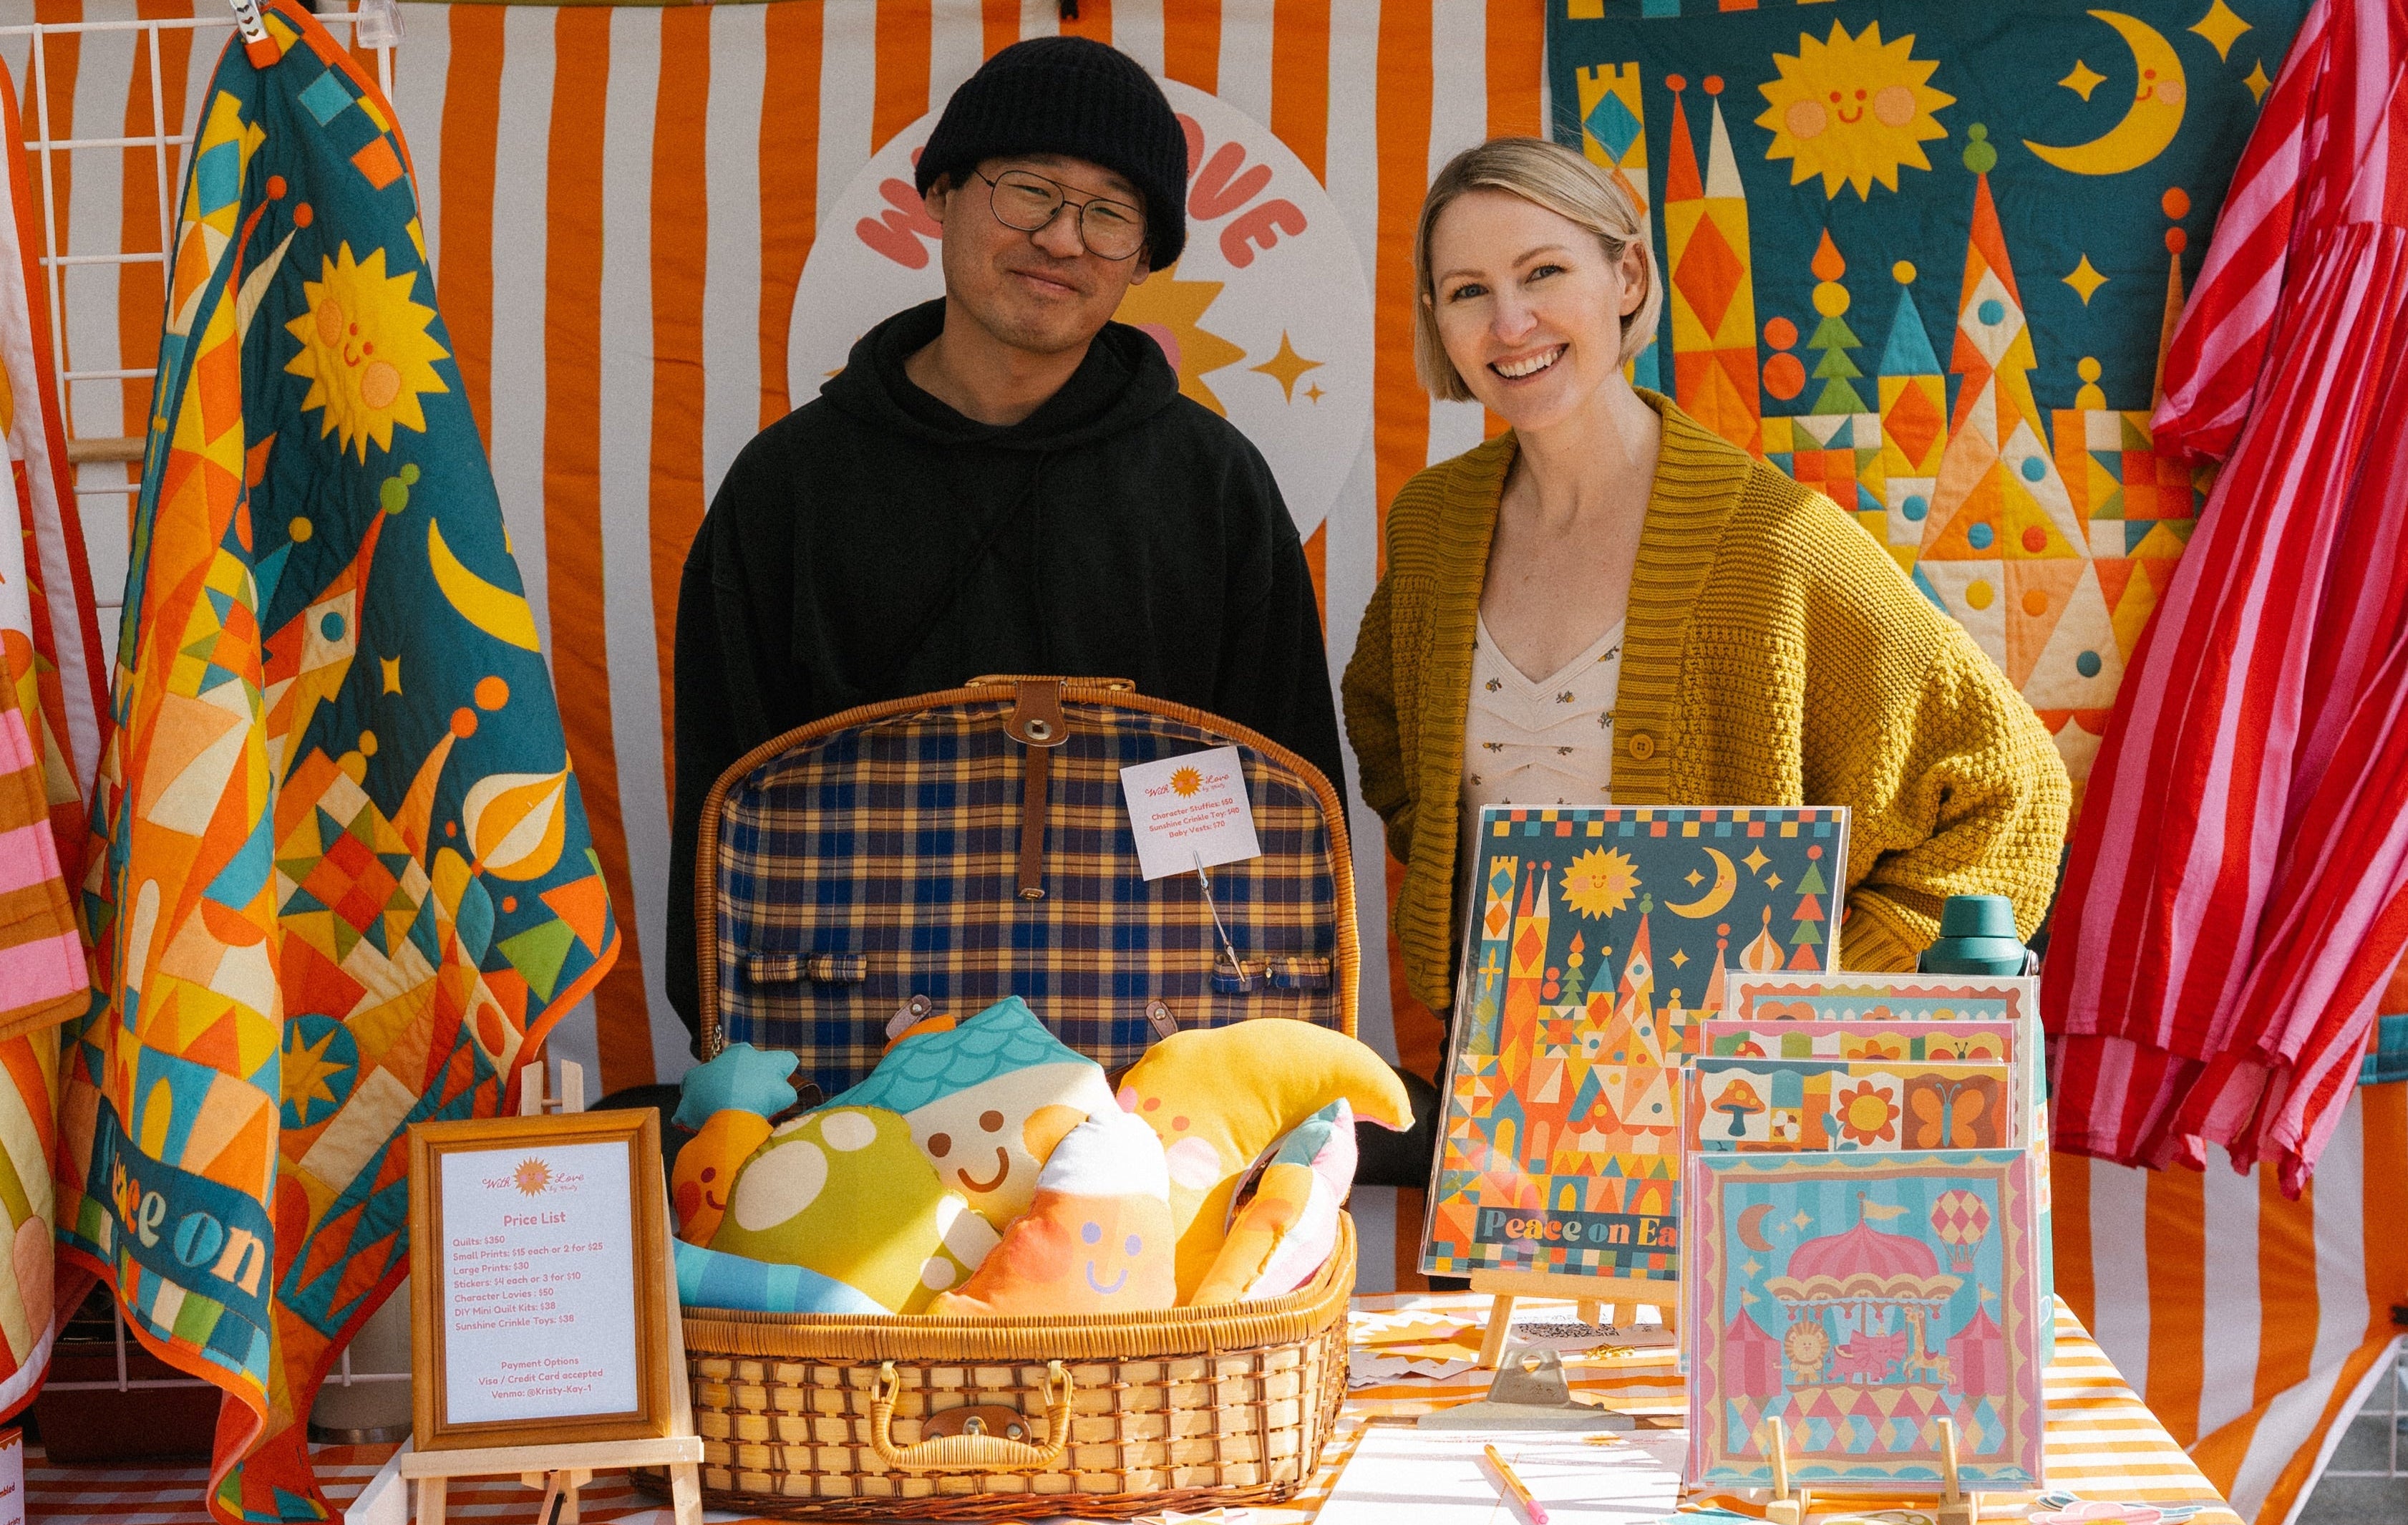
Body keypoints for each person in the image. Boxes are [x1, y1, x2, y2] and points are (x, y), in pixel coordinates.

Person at [669, 37, 1345, 1055]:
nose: (1063, 239)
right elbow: (732, 824)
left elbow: (1273, 814)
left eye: (1111, 213)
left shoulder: (1212, 487)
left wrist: (1239, 1070)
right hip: (854, 1066)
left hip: (1147, 1066)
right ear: (939, 194)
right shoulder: (788, 488)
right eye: (1029, 189)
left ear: (1144, 257)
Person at [1343, 137, 2069, 1025]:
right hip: (1504, 1087)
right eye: (1468, 292)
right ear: (1436, 319)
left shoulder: (1770, 538)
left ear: (1629, 278)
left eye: (1541, 273)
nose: (1508, 324)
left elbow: (2013, 787)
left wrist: (1822, 985)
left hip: (1731, 1101)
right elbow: (1388, 733)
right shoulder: (1431, 528)